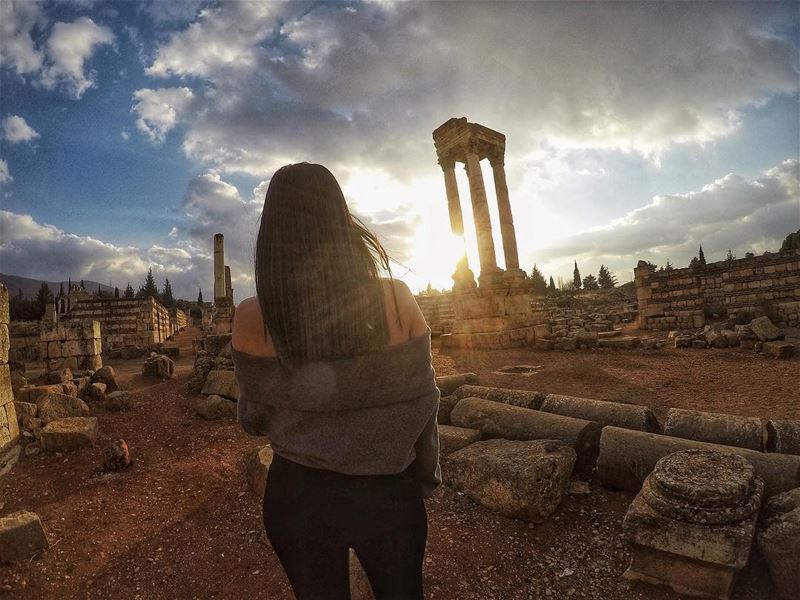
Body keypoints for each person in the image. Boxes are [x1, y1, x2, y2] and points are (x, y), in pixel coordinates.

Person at [231, 162, 441, 600]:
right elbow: (424, 404)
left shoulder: (250, 318)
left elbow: (251, 418)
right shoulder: (398, 302)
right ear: (340, 219)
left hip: (297, 496)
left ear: (271, 233)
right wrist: (423, 479)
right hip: (388, 492)